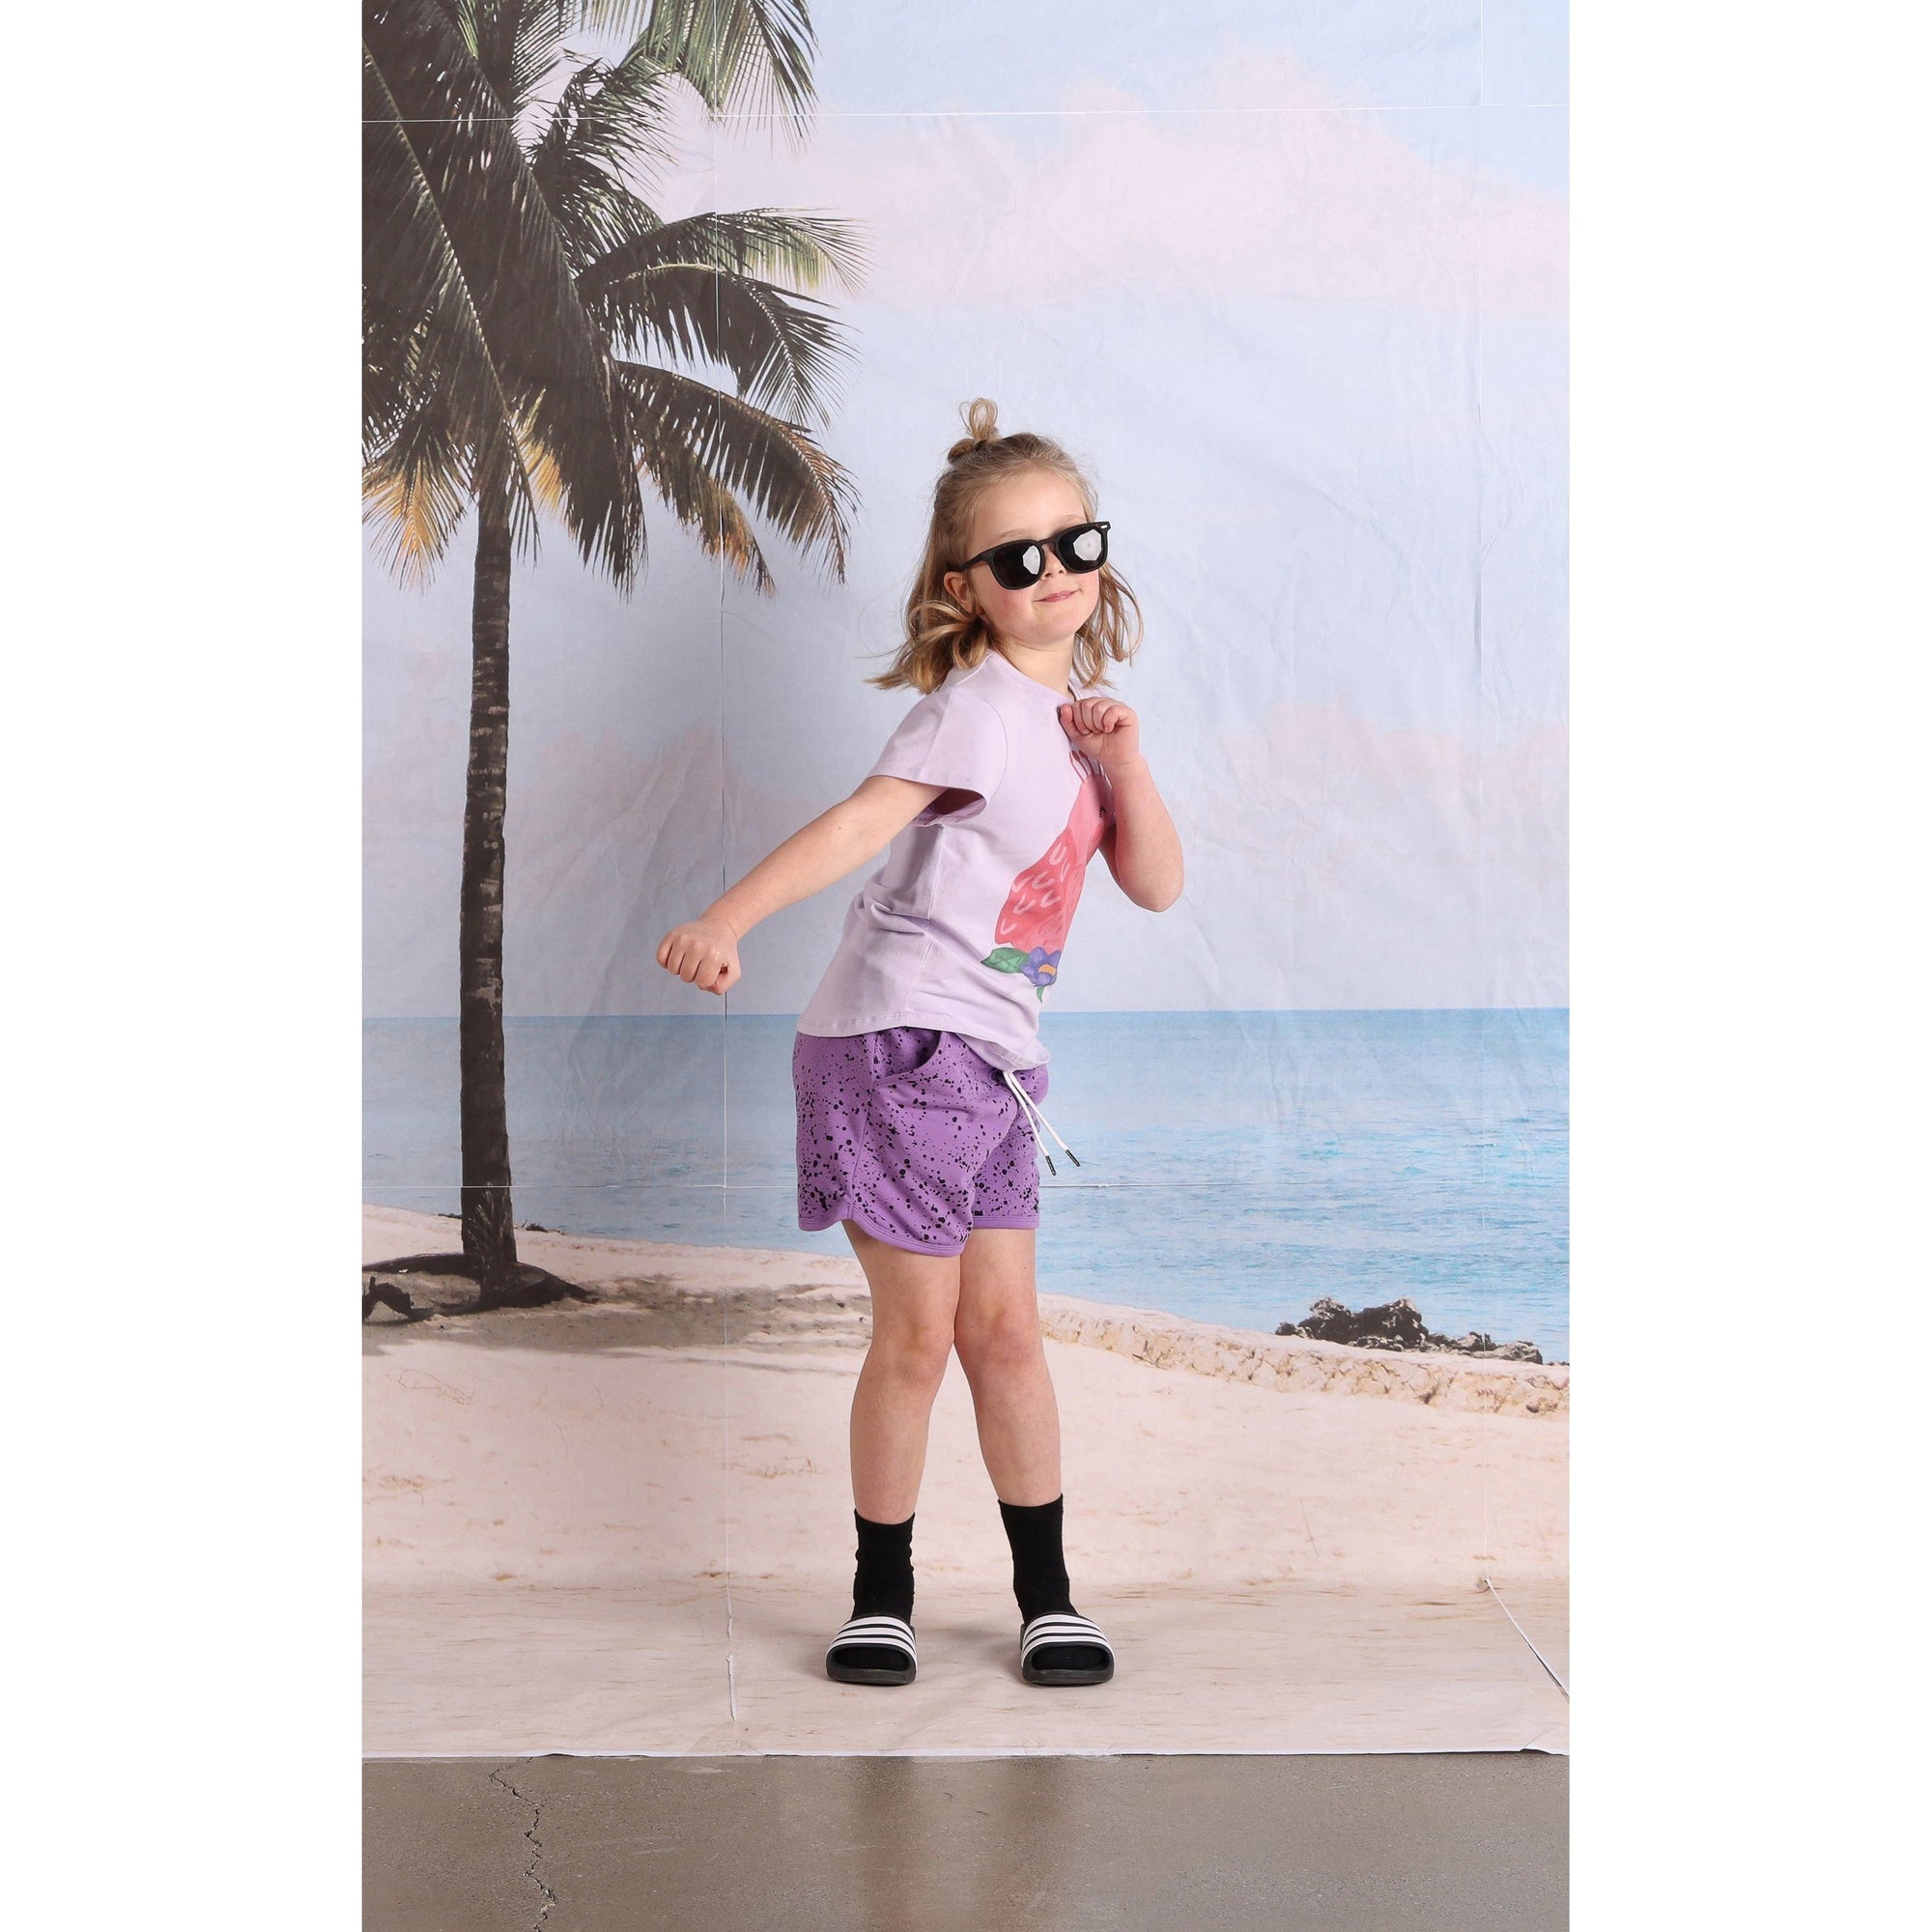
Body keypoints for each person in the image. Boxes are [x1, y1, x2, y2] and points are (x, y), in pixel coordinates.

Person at [655, 398, 1184, 1688]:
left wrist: (1125, 763)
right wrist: (726, 918)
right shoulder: (973, 711)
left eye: (1076, 542)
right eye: (1019, 557)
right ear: (966, 588)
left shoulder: (1073, 726)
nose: (1055, 572)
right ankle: (880, 1597)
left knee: (1007, 1337)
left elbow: (1157, 885)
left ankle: (1046, 1598)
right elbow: (859, 823)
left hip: (995, 1064)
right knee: (920, 1336)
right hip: (898, 1045)